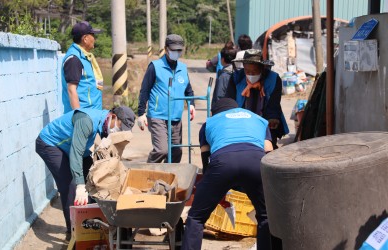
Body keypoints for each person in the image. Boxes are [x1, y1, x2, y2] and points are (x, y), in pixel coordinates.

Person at [182, 98, 274, 250]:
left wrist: (214, 190)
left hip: (223, 163)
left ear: (216, 113)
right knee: (266, 216)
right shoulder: (258, 119)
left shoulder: (209, 123)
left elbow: (207, 162)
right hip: (256, 162)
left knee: (196, 217)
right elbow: (269, 151)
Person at [35, 106, 135, 236]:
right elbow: (75, 153)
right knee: (70, 185)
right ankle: (74, 234)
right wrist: (80, 185)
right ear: (114, 117)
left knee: (94, 175)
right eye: (120, 127)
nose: (119, 131)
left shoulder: (105, 122)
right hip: (51, 144)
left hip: (72, 147)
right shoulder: (86, 121)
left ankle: (94, 224)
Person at [136, 34, 195, 163]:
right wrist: (141, 113)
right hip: (158, 115)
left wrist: (191, 104)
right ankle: (148, 172)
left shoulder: (183, 68)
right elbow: (145, 90)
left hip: (176, 117)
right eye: (173, 50)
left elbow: (188, 89)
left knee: (176, 152)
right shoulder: (155, 66)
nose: (176, 53)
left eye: (179, 50)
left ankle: (167, 179)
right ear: (166, 48)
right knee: (162, 150)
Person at [225, 49, 289, 149]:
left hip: (266, 121)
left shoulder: (273, 79)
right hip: (241, 121)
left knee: (267, 148)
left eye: (254, 71)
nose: (251, 74)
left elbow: (274, 104)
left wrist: (272, 119)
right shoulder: (236, 78)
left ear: (262, 68)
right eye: (247, 71)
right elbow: (229, 101)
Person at [62, 21, 104, 113]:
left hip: (92, 114)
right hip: (84, 117)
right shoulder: (74, 59)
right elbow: (71, 89)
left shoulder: (85, 57)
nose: (95, 39)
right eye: (93, 35)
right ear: (85, 38)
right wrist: (79, 117)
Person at [211, 43, 237, 108]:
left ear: (222, 59)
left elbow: (219, 96)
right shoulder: (237, 73)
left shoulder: (223, 76)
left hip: (224, 109)